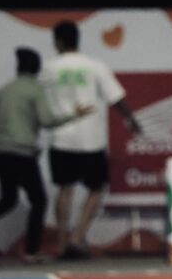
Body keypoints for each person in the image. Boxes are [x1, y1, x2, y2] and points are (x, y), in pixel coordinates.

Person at [0, 48, 93, 263]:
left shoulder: (6, 90)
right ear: (36, 69)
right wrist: (73, 115)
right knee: (39, 201)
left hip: (0, 154)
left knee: (8, 199)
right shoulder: (34, 90)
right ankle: (31, 251)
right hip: (21, 154)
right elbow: (47, 120)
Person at [41, 20, 140, 259]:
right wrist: (131, 120)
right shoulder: (95, 66)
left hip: (61, 138)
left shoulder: (48, 69)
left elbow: (38, 99)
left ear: (58, 42)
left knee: (65, 188)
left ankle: (62, 243)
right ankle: (77, 237)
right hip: (91, 139)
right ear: (77, 40)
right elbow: (116, 98)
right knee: (97, 188)